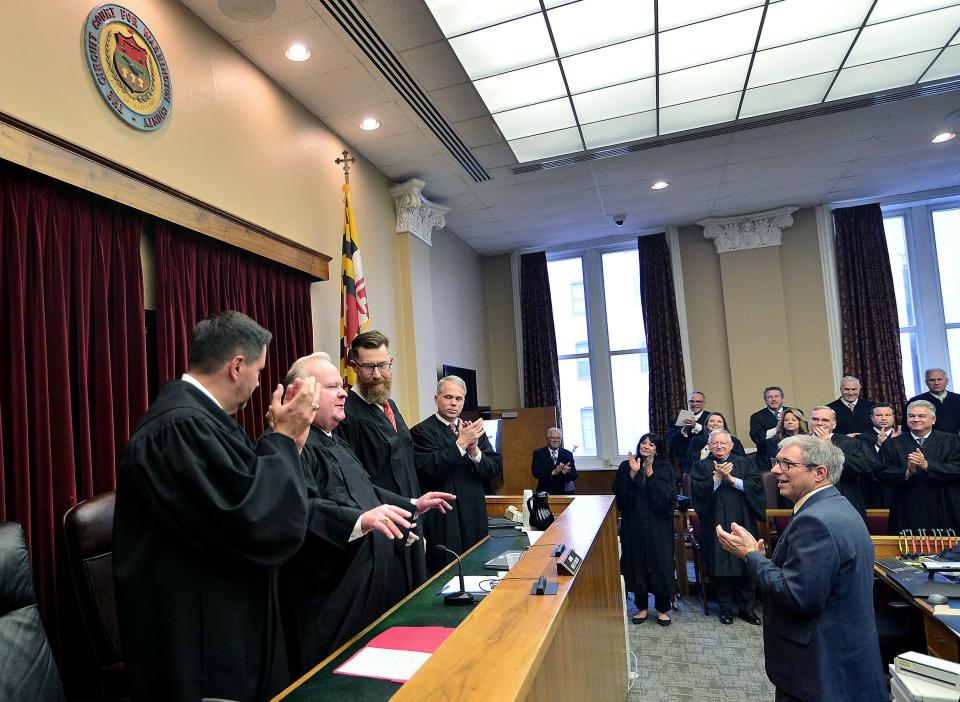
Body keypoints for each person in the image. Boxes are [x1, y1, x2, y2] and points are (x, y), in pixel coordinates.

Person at [113, 311, 319, 702]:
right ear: (237, 366)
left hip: (227, 625)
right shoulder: (179, 427)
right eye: (259, 371)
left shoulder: (206, 420)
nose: (260, 383)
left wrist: (284, 442)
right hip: (201, 645)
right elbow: (252, 522)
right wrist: (283, 439)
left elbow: (248, 489)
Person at [278, 353, 455, 676]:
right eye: (333, 387)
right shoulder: (294, 447)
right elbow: (301, 510)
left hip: (370, 582)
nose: (345, 392)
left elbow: (367, 491)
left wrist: (412, 504)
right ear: (303, 395)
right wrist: (360, 521)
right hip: (332, 592)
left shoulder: (337, 441)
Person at [716, 435, 886, 702]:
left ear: (819, 472)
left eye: (786, 464)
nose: (774, 471)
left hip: (819, 668)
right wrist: (764, 559)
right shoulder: (837, 506)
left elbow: (798, 596)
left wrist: (750, 557)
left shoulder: (815, 521)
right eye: (776, 462)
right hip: (843, 658)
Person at [335, 330, 428, 592]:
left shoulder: (390, 406)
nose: (377, 375)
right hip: (381, 529)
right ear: (353, 367)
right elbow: (355, 483)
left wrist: (418, 522)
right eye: (368, 367)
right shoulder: (348, 415)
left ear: (391, 362)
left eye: (382, 365)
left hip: (409, 519)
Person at [411, 375, 503, 574]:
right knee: (446, 568)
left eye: (458, 399)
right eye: (448, 397)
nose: (453, 403)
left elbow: (494, 469)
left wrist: (474, 451)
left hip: (473, 510)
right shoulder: (420, 432)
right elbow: (431, 468)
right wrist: (461, 444)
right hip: (443, 514)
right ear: (436, 399)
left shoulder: (473, 430)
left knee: (478, 564)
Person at [690, 429, 766, 625]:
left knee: (746, 562)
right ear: (709, 446)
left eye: (723, 443)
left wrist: (731, 479)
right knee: (720, 563)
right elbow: (697, 495)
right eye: (714, 443)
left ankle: (747, 609)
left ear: (731, 445)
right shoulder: (700, 466)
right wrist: (716, 479)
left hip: (743, 520)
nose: (719, 446)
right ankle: (725, 609)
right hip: (715, 521)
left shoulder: (745, 463)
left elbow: (757, 488)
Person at [613, 433, 676, 626]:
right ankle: (641, 608)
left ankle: (662, 609)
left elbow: (667, 499)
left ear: (657, 449)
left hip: (659, 525)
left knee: (661, 563)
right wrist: (633, 474)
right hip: (634, 524)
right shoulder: (627, 466)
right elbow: (621, 499)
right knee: (636, 562)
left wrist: (650, 474)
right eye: (643, 443)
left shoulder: (665, 468)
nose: (646, 446)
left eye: (651, 444)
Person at [877, 400, 960, 534]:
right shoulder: (892, 444)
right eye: (911, 416)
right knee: (909, 552)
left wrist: (928, 466)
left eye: (921, 416)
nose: (916, 419)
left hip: (944, 504)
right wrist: (907, 472)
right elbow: (881, 472)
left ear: (933, 419)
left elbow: (957, 469)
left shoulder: (951, 441)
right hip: (907, 506)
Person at [808, 405, 873, 523]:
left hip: (843, 498)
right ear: (810, 422)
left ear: (834, 424)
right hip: (808, 499)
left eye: (825, 420)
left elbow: (863, 467)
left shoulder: (852, 443)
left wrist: (829, 446)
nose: (819, 423)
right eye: (815, 419)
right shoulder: (798, 443)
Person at [856, 403, 900, 508]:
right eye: (879, 415)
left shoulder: (903, 436)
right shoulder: (861, 438)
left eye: (888, 415)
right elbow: (865, 465)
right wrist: (879, 445)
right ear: (872, 418)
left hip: (898, 488)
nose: (884, 418)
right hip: (873, 490)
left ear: (893, 417)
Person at [683, 411, 746, 477]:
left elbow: (743, 461)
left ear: (724, 426)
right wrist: (706, 450)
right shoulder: (696, 440)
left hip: (732, 473)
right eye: (712, 421)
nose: (715, 424)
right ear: (706, 425)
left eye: (719, 422)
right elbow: (689, 462)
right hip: (704, 474)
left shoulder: (734, 441)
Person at [904, 368, 960, 434]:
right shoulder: (915, 401)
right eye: (932, 380)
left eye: (939, 379)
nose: (936, 383)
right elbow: (906, 427)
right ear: (926, 382)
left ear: (947, 381)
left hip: (956, 441)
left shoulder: (958, 399)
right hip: (928, 442)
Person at [666, 391, 711, 465]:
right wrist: (683, 431)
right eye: (691, 401)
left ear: (703, 403)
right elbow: (671, 439)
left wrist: (696, 426)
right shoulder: (680, 418)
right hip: (686, 461)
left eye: (698, 401)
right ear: (688, 403)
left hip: (707, 459)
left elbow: (714, 435)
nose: (694, 404)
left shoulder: (710, 417)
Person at [531, 427, 577, 494]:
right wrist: (553, 472)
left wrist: (566, 472)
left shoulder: (568, 454)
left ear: (561, 440)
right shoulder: (538, 453)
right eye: (552, 437)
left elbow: (574, 475)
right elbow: (536, 473)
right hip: (545, 492)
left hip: (564, 493)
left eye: (558, 438)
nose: (555, 440)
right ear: (548, 439)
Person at [749, 386, 785, 451]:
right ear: (765, 400)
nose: (773, 399)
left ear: (782, 399)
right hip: (767, 456)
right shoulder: (756, 417)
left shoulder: (793, 412)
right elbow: (757, 437)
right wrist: (776, 429)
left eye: (776, 396)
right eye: (770, 397)